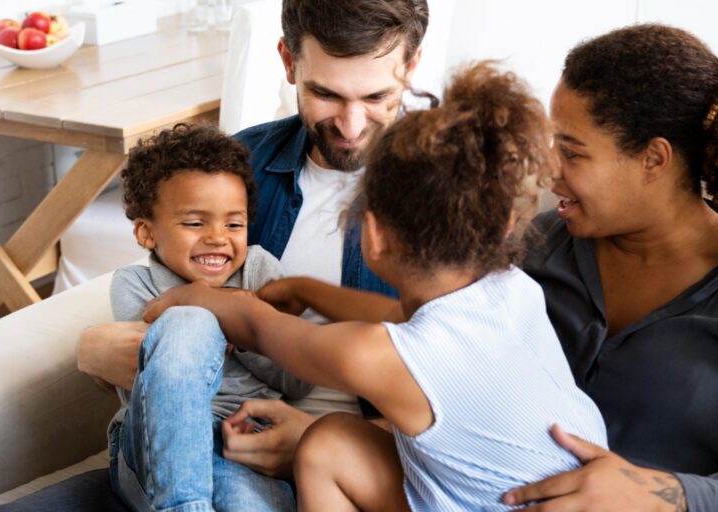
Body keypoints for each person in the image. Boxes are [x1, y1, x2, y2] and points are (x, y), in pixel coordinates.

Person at [143, 61, 608, 511]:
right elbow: (400, 319)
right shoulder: (510, 287)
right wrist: (307, 290)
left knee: (324, 441)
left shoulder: (377, 358)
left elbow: (262, 328)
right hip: (563, 488)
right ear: (504, 226)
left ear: (374, 235)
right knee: (334, 439)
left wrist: (200, 297)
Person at [60, 0, 428, 510]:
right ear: (289, 62)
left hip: (350, 472)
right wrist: (94, 351)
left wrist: (322, 442)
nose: (350, 125)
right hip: (180, 456)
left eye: (376, 96)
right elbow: (158, 307)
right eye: (325, 94)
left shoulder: (452, 199)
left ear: (411, 66)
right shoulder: (236, 167)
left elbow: (477, 390)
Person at [501, 25, 718, 512]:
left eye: (571, 152)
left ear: (653, 159)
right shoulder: (541, 243)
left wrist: (665, 496)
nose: (549, 170)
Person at [108, 124, 314, 511]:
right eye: (194, 223)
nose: (218, 237)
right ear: (147, 233)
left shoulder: (260, 270)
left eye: (234, 224)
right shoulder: (134, 283)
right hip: (155, 438)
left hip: (246, 439)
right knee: (188, 322)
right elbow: (152, 373)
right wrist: (234, 315)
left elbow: (298, 380)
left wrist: (245, 327)